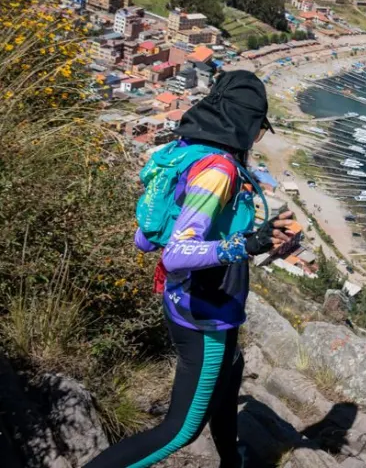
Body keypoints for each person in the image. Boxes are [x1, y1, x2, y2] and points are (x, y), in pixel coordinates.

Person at [86, 71, 296, 468]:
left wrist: (257, 242)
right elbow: (176, 254)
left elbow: (145, 238)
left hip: (191, 297)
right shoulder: (219, 170)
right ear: (244, 122)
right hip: (203, 313)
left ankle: (231, 461)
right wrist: (246, 244)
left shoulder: (187, 151)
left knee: (232, 370)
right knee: (180, 430)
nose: (256, 139)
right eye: (258, 129)